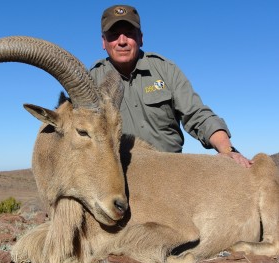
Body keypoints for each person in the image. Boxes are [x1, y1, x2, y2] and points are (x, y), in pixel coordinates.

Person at [90, 4, 253, 168]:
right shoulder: (90, 81)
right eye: (114, 35)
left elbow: (197, 115)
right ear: (104, 41)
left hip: (169, 172)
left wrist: (228, 149)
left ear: (140, 38)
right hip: (117, 173)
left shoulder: (165, 69)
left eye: (130, 34)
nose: (122, 41)